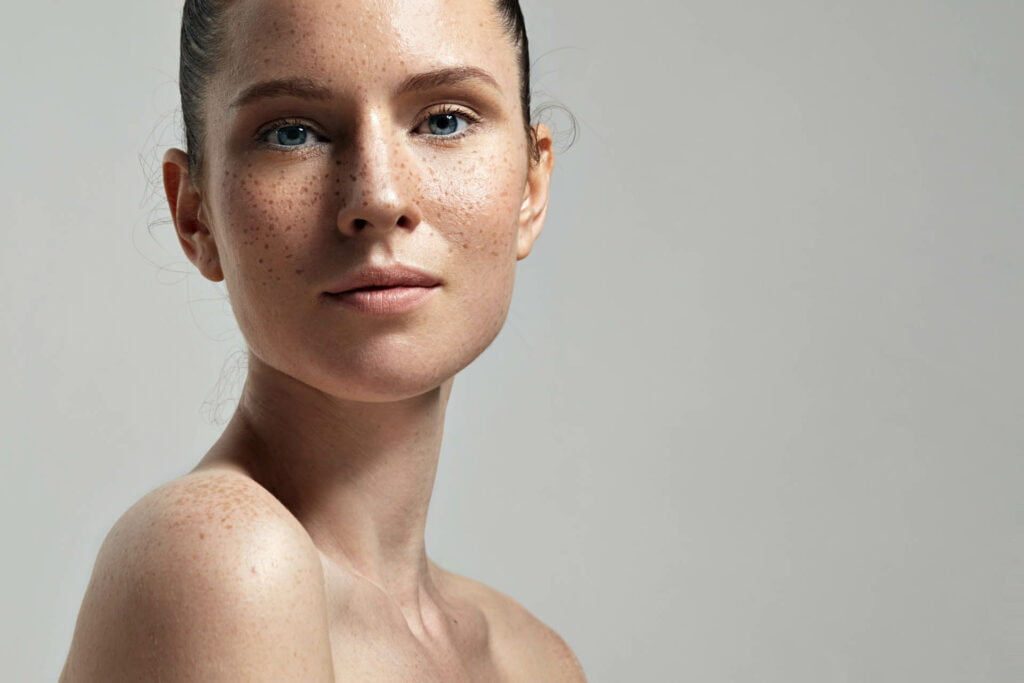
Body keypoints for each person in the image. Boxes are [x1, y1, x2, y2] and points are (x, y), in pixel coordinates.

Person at [58, 0, 586, 680]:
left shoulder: (534, 657)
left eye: (444, 120)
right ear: (196, 214)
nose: (379, 194)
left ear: (531, 187)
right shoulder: (226, 561)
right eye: (291, 133)